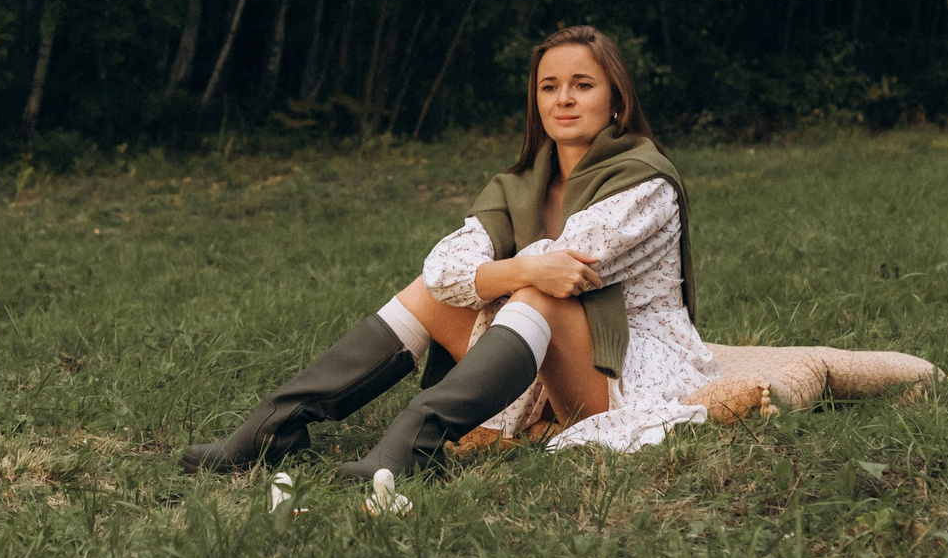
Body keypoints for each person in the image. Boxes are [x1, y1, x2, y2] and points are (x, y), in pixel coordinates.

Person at [183, 25, 716, 481]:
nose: (564, 100)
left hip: (623, 366)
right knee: (434, 297)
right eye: (549, 87)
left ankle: (418, 441)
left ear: (616, 99)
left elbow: (567, 270)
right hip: (546, 348)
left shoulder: (643, 183)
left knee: (537, 295)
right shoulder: (520, 186)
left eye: (583, 85)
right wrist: (523, 268)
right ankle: (275, 426)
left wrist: (512, 274)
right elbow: (441, 271)